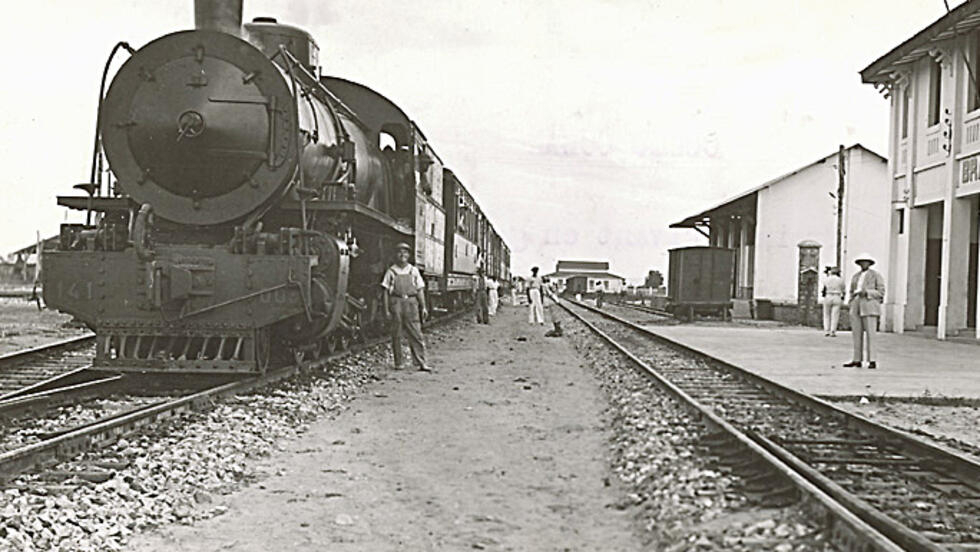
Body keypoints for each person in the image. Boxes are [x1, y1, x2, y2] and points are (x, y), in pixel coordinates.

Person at [381, 243, 432, 372]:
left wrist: (423, 307)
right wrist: (386, 309)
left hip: (411, 302)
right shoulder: (391, 271)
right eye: (399, 252)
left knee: (416, 333)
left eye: (405, 253)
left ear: (409, 255)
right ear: (395, 255)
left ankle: (421, 362)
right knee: (396, 334)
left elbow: (420, 289)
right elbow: (386, 292)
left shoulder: (413, 270)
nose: (402, 255)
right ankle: (399, 363)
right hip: (396, 302)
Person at [843, 253, 885, 369]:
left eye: (866, 262)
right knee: (856, 333)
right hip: (856, 302)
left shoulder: (875, 275)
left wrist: (867, 292)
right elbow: (851, 290)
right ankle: (857, 359)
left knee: (871, 333)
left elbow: (881, 292)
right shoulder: (856, 276)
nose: (863, 264)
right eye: (861, 262)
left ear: (869, 263)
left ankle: (872, 359)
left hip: (869, 303)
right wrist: (851, 302)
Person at [821, 267, 845, 337]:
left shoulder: (827, 279)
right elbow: (843, 289)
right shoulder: (840, 280)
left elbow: (824, 288)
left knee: (826, 314)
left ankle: (826, 330)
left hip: (828, 295)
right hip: (837, 295)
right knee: (835, 315)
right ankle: (833, 331)